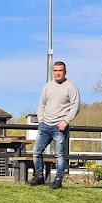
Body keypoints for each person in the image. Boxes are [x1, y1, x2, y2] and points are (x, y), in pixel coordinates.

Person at [29, 61, 81, 189]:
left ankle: (58, 179)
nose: (57, 73)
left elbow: (76, 106)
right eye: (55, 70)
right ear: (53, 71)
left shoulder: (71, 87)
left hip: (59, 127)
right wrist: (41, 119)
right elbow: (41, 103)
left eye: (60, 70)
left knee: (59, 155)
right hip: (45, 125)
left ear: (65, 72)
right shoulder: (47, 86)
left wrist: (66, 121)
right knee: (36, 151)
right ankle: (39, 176)